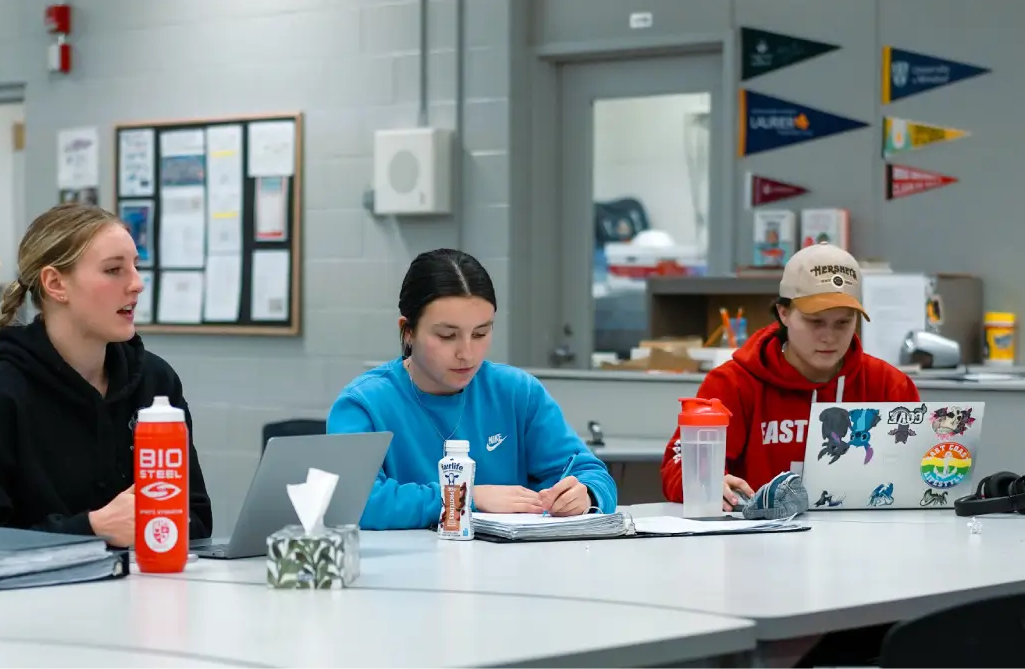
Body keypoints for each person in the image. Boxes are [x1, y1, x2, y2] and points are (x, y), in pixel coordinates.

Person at [658, 241, 919, 668]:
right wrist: (709, 482)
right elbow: (676, 466)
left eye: (844, 321)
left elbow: (914, 479)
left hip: (863, 569)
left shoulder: (889, 386)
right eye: (815, 321)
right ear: (783, 313)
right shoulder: (733, 383)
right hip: (755, 573)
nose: (830, 336)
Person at [0, 204, 213, 547]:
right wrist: (92, 529)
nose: (137, 284)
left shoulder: (155, 382)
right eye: (114, 270)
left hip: (142, 590)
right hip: (33, 598)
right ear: (56, 284)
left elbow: (197, 518)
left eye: (136, 267)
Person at [328, 248, 618, 530]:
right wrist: (465, 497)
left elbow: (592, 475)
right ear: (408, 331)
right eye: (447, 335)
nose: (466, 353)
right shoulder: (363, 404)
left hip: (511, 570)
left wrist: (586, 495)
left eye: (480, 333)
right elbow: (355, 502)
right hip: (407, 573)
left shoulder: (518, 393)